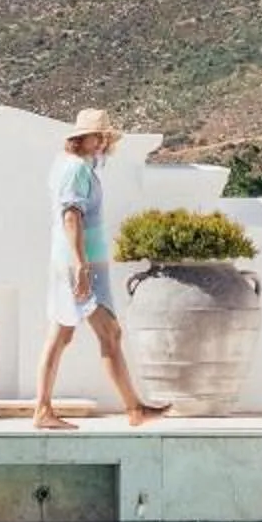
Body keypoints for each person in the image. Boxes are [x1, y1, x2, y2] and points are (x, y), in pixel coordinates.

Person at [31, 107, 165, 431]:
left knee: (61, 334)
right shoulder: (77, 169)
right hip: (81, 264)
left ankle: (43, 410)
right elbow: (71, 216)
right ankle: (134, 408)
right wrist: (81, 264)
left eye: (105, 137)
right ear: (82, 138)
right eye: (98, 137)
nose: (103, 143)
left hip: (80, 263)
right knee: (109, 333)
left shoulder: (75, 166)